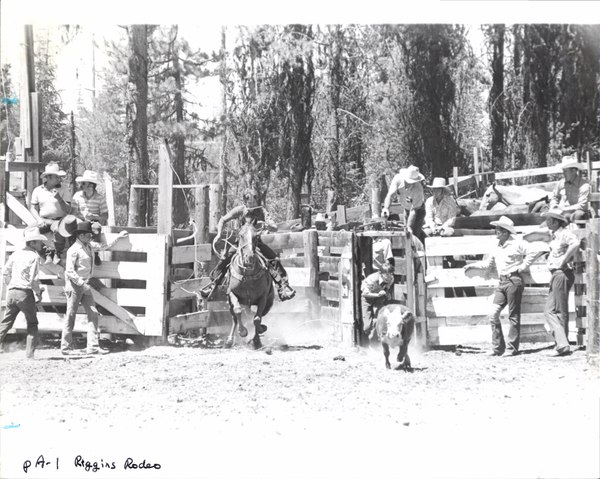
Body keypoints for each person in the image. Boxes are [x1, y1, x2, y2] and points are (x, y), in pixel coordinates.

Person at [199, 188, 296, 302]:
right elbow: (222, 220)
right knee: (225, 259)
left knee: (274, 259)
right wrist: (219, 234)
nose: (252, 204)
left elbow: (275, 227)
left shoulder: (261, 211)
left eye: (254, 201)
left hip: (256, 243)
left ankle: (283, 287)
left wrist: (268, 226)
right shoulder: (239, 210)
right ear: (245, 202)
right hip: (240, 243)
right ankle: (213, 284)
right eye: (249, 202)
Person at [463, 216, 537, 357]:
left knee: (513, 315)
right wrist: (472, 265)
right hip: (502, 282)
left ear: (505, 232)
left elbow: (533, 252)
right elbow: (488, 264)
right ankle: (498, 348)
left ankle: (511, 348)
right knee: (493, 314)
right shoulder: (496, 247)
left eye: (498, 229)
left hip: (514, 280)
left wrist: (522, 267)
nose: (495, 231)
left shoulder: (517, 244)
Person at [61, 221, 129, 356]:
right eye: (87, 235)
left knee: (93, 313)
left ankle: (92, 346)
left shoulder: (89, 246)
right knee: (70, 315)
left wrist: (118, 238)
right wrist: (82, 283)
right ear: (80, 236)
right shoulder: (73, 250)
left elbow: (104, 246)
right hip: (75, 285)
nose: (90, 237)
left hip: (83, 285)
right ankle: (65, 347)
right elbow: (69, 271)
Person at [0, 227, 47, 359]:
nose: (41, 244)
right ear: (32, 243)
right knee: (32, 323)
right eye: (38, 242)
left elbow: (5, 272)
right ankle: (29, 354)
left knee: (6, 322)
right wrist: (38, 293)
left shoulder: (16, 254)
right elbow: (33, 279)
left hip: (12, 292)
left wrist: (11, 284)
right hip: (25, 293)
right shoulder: (34, 256)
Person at [541, 208, 580, 357]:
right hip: (557, 274)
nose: (546, 223)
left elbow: (575, 244)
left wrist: (564, 261)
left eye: (548, 220)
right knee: (555, 310)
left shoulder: (564, 233)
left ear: (556, 222)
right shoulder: (555, 236)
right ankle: (562, 343)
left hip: (561, 273)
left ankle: (562, 344)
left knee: (554, 310)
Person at [30, 162, 73, 262]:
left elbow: (68, 210)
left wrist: (59, 199)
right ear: (48, 177)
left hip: (58, 220)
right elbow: (32, 208)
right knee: (27, 232)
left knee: (58, 230)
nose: (59, 179)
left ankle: (58, 252)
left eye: (59, 176)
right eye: (56, 176)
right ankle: (44, 253)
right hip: (43, 219)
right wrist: (39, 220)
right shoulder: (38, 190)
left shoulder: (64, 189)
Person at [71, 170, 109, 265]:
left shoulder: (100, 198)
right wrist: (79, 220)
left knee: (96, 228)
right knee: (70, 228)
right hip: (79, 221)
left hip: (93, 222)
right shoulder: (77, 196)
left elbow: (105, 215)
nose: (81, 185)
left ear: (91, 185)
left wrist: (95, 217)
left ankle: (95, 253)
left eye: (84, 183)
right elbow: (73, 212)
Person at [381, 165, 426, 241]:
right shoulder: (398, 179)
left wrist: (409, 228)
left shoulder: (418, 190)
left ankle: (422, 248)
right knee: (405, 232)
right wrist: (386, 209)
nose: (410, 183)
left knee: (414, 234)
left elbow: (413, 211)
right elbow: (389, 195)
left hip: (418, 211)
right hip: (406, 209)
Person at [549, 155, 591, 222]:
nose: (563, 173)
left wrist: (563, 209)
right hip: (561, 213)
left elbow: (582, 206)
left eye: (565, 171)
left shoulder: (584, 185)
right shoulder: (561, 183)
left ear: (573, 171)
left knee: (579, 215)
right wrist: (553, 205)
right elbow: (555, 197)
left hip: (574, 213)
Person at [361, 261, 395, 339]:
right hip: (367, 299)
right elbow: (364, 294)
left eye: (391, 274)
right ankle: (367, 338)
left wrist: (387, 294)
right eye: (387, 274)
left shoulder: (391, 279)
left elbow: (387, 288)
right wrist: (377, 295)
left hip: (379, 298)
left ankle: (376, 340)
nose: (389, 277)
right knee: (367, 326)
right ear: (381, 273)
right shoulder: (371, 279)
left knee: (379, 320)